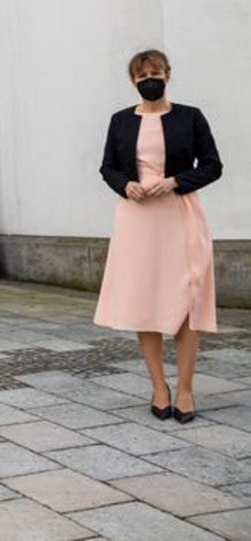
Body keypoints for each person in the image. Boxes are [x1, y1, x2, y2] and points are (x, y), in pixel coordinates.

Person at [95, 50, 222, 424]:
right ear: (132, 80)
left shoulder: (190, 116)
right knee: (145, 300)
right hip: (138, 220)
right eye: (142, 74)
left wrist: (177, 182)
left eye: (155, 72)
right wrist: (126, 185)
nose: (149, 78)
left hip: (180, 213)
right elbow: (107, 167)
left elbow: (213, 165)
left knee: (188, 299)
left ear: (168, 73)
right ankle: (158, 388)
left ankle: (185, 389)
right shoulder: (120, 121)